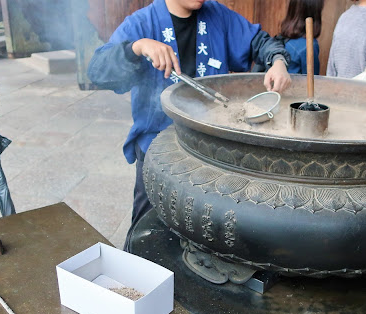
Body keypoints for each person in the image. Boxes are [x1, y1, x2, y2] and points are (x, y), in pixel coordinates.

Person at [87, 0, 291, 247]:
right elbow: (97, 70)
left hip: (209, 149)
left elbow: (260, 41)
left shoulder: (218, 16)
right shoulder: (142, 23)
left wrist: (278, 61)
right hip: (158, 148)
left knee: (208, 230)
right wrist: (137, 47)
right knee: (147, 231)